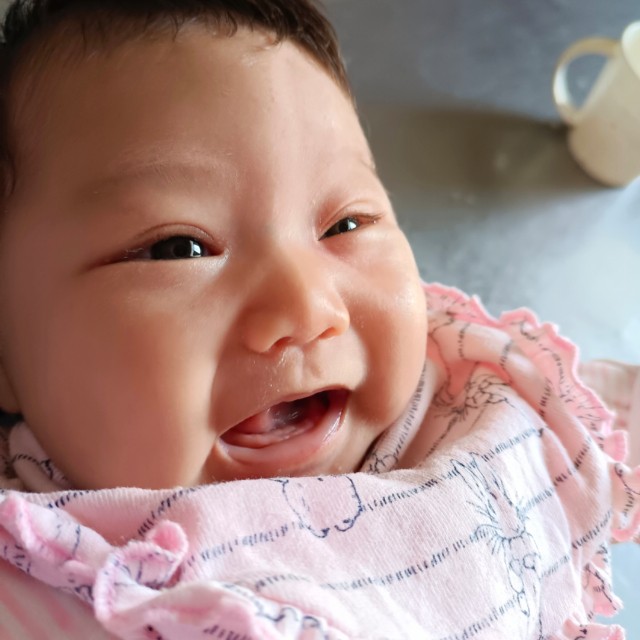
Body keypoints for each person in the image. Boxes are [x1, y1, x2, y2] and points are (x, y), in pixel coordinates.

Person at [0, 1, 637, 638]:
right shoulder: (44, 575)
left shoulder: (470, 396)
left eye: (346, 224)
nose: (308, 309)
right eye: (180, 249)